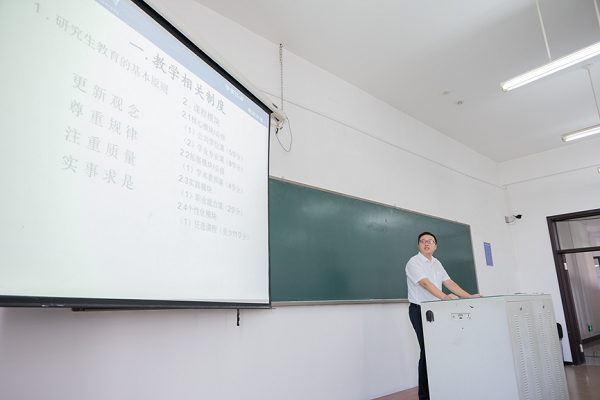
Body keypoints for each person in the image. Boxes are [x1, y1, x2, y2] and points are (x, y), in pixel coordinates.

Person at [406, 232, 482, 400]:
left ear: (435, 245)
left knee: (441, 350)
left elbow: (449, 283)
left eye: (430, 241)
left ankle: (441, 390)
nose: (427, 244)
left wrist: (469, 297)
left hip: (437, 311)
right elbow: (425, 283)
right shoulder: (414, 262)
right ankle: (425, 396)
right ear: (418, 245)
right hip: (420, 311)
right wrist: (444, 297)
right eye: (423, 241)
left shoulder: (437, 263)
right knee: (427, 353)